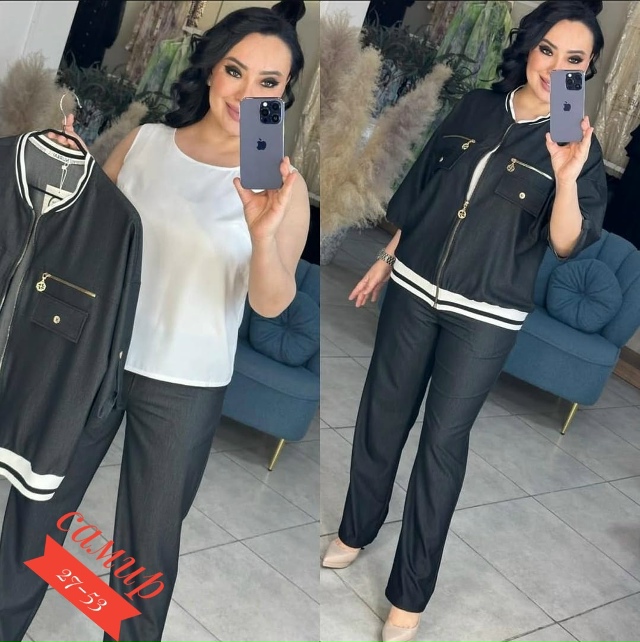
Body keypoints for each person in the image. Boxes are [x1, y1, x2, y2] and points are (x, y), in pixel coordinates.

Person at [0, 4, 309, 642]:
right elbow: (85, 235)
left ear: (283, 94)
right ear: (211, 69)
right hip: (93, 360)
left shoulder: (281, 186)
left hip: (184, 386)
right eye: (235, 70)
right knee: (37, 516)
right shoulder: (146, 143)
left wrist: (262, 234)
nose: (246, 94)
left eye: (268, 82)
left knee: (144, 551)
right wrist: (69, 168)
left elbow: (271, 304)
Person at [322, 1, 607, 641]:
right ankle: (356, 529)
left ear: (585, 71)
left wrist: (565, 178)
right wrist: (387, 258)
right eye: (547, 50)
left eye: (574, 60)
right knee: (381, 416)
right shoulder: (478, 106)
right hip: (414, 284)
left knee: (442, 446)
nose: (554, 68)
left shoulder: (576, 145)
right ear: (529, 47)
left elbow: (566, 241)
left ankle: (410, 593)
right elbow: (428, 188)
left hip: (485, 314)